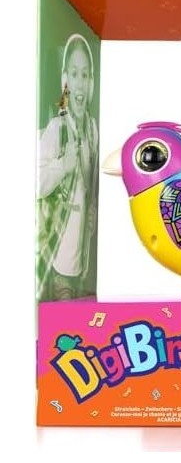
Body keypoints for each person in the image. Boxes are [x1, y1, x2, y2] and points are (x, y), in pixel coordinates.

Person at [36, 34, 98, 301]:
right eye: (74, 74)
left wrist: (94, 208)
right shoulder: (57, 128)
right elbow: (36, 184)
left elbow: (91, 185)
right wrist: (63, 166)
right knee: (63, 316)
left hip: (83, 261)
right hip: (58, 259)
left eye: (85, 74)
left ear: (91, 82)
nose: (79, 82)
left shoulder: (92, 130)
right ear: (65, 81)